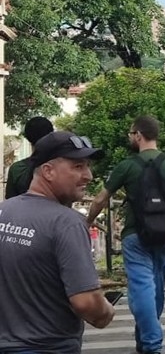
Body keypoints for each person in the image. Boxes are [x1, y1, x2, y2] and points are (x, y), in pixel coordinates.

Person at [86, 116, 165, 354]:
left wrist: (87, 221)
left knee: (142, 288)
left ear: (138, 135)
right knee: (155, 289)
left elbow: (100, 199)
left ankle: (151, 344)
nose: (130, 137)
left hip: (136, 236)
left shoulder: (127, 165)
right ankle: (144, 342)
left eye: (130, 133)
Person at [0, 131, 115, 350]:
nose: (88, 176)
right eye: (78, 166)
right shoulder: (67, 223)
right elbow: (87, 302)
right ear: (48, 171)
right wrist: (106, 311)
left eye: (87, 166)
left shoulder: (2, 211)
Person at [4, 116, 54, 199]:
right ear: (51, 136)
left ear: (27, 137)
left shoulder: (17, 169)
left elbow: (10, 202)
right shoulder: (60, 168)